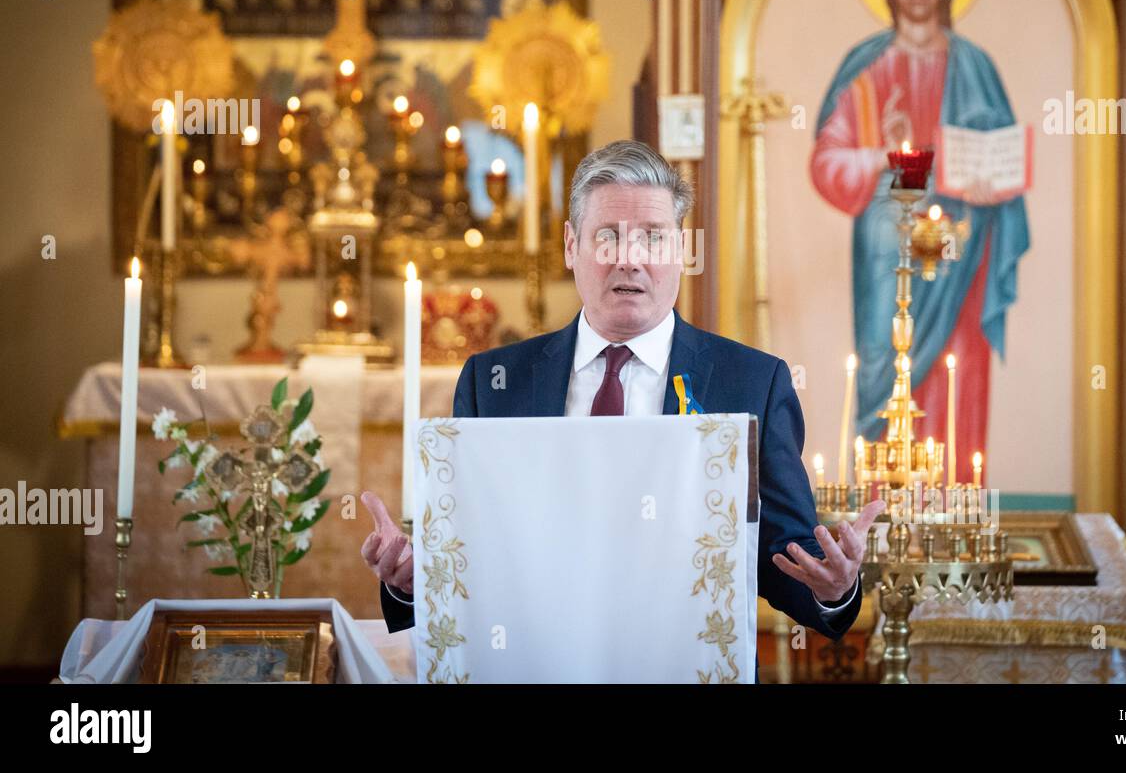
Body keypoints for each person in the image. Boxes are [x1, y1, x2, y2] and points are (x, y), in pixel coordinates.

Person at [361, 140, 884, 671]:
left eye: (653, 238)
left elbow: (783, 558)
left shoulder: (753, 382)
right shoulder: (494, 383)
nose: (629, 258)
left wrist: (834, 587)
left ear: (680, 249)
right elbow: (462, 562)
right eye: (607, 236)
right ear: (571, 245)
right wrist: (409, 582)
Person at [810, 0, 1029, 477]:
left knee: (955, 362)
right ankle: (879, 502)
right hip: (886, 243)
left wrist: (988, 185)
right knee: (885, 357)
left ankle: (954, 498)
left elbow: (1001, 156)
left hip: (962, 241)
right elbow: (828, 161)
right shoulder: (866, 66)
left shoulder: (974, 66)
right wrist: (883, 157)